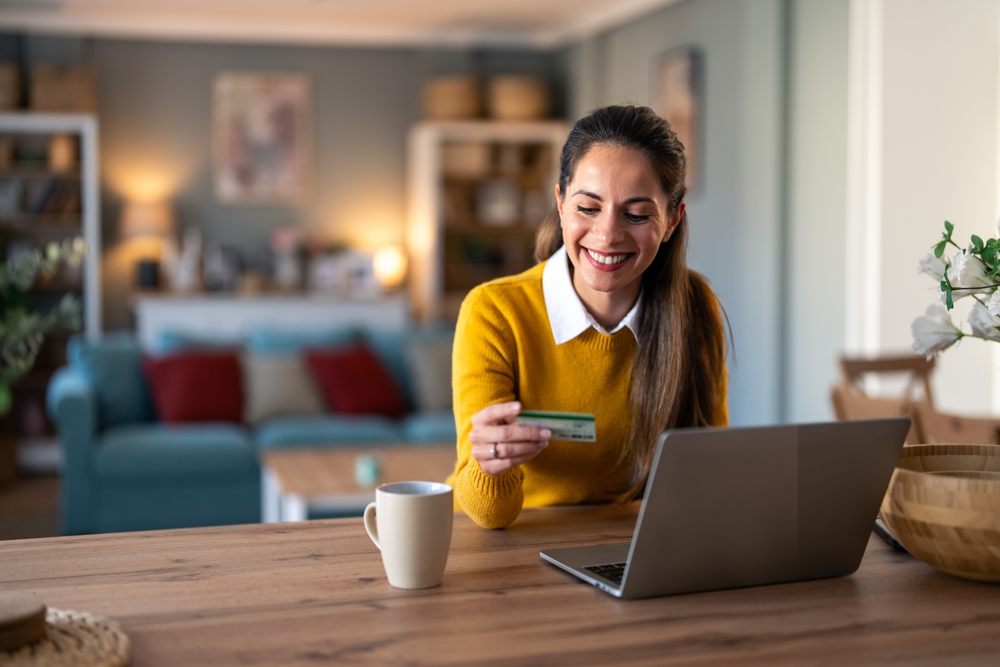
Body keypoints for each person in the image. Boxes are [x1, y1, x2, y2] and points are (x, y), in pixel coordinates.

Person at [446, 105, 729, 529]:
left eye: (636, 214)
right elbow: (489, 515)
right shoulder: (494, 312)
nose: (608, 234)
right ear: (560, 204)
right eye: (588, 207)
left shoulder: (695, 306)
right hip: (513, 541)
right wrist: (492, 466)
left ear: (672, 220)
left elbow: (707, 474)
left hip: (636, 544)